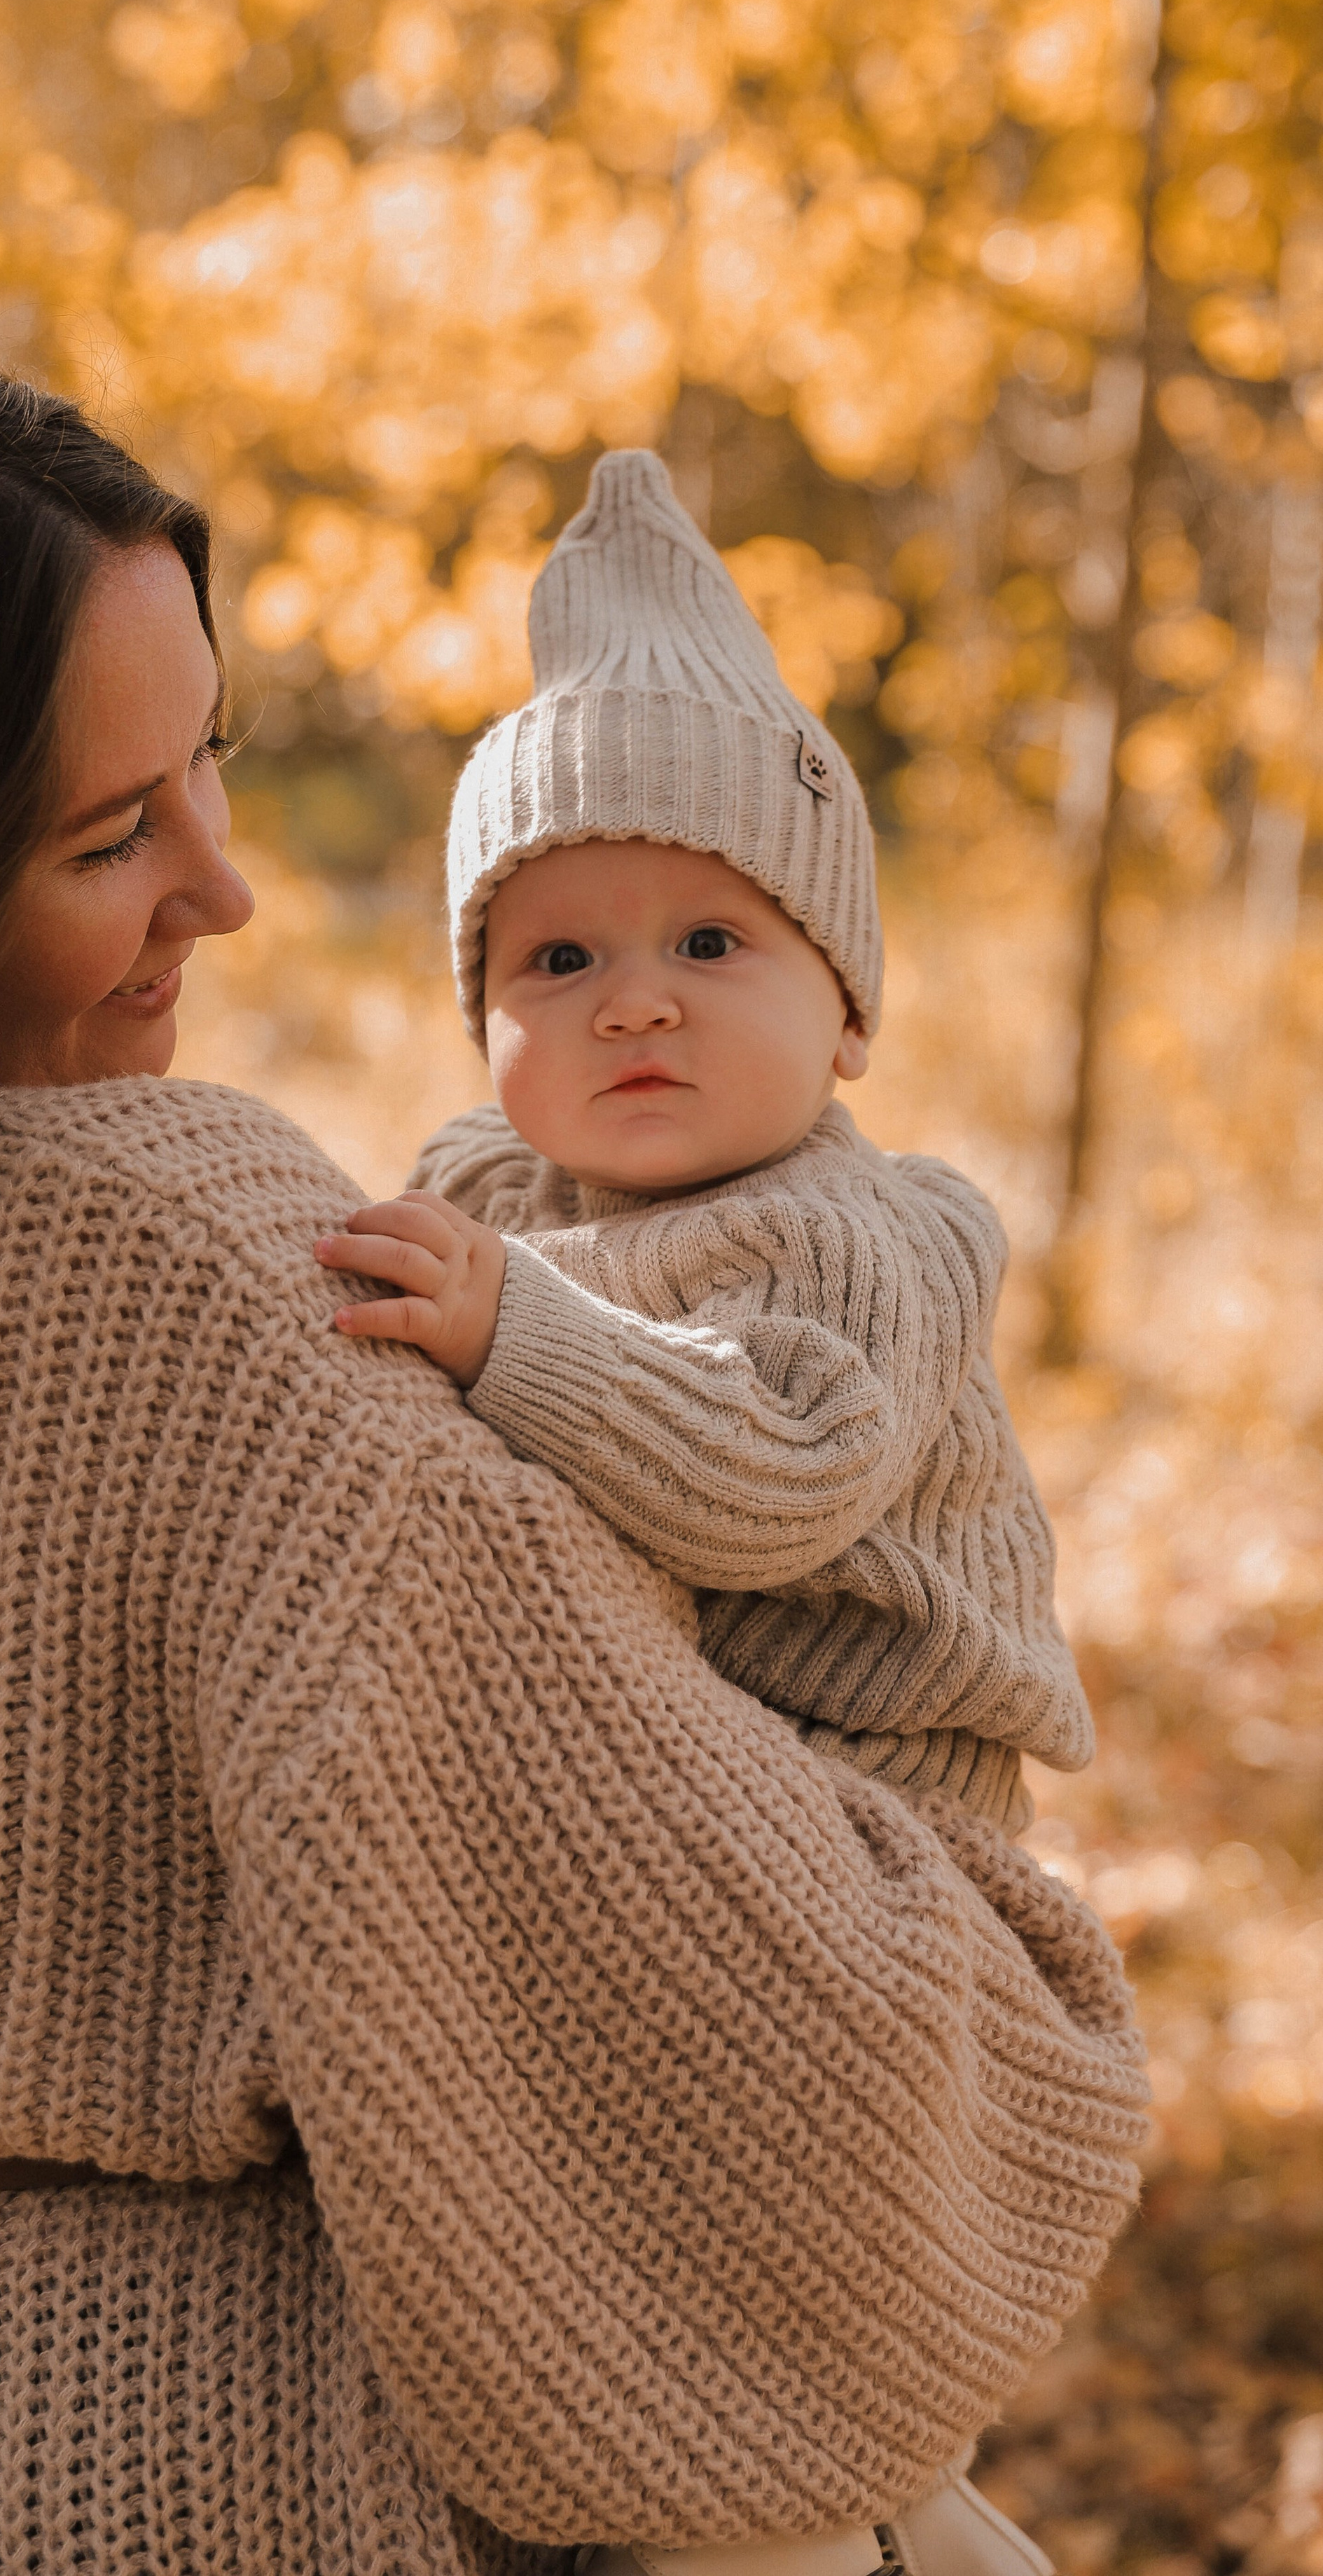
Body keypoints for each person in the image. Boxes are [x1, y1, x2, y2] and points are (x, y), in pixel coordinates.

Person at [0, 328, 1147, 2576]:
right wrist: (1028, 2036)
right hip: (297, 2459)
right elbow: (804, 2122)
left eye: (211, 758)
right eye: (112, 833)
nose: (229, 887)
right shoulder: (212, 1272)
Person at [319, 450, 1086, 1845]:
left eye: (709, 942)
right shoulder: (486, 1181)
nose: (633, 1002)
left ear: (846, 1012)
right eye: (560, 958)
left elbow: (775, 1481)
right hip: (649, 1747)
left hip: (875, 1787)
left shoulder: (841, 1235)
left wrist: (511, 1326)